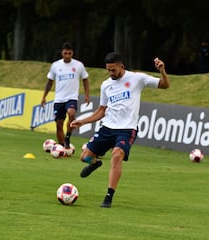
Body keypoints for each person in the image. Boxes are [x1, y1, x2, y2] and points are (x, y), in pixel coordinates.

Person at [70, 52, 170, 208]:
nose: (111, 73)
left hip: (127, 129)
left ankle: (109, 196)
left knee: (117, 156)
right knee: (85, 157)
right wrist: (82, 121)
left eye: (113, 70)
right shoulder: (106, 85)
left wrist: (162, 71)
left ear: (121, 66)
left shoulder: (137, 79)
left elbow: (165, 85)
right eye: (108, 70)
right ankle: (95, 163)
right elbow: (101, 111)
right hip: (108, 128)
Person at [41, 42, 90, 149]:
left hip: (71, 98)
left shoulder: (78, 65)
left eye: (69, 53)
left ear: (72, 53)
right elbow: (50, 82)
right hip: (59, 99)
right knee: (59, 124)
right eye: (65, 53)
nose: (67, 55)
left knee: (71, 113)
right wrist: (44, 96)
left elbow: (85, 80)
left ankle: (67, 137)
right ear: (62, 53)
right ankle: (62, 146)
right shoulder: (55, 65)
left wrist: (87, 95)